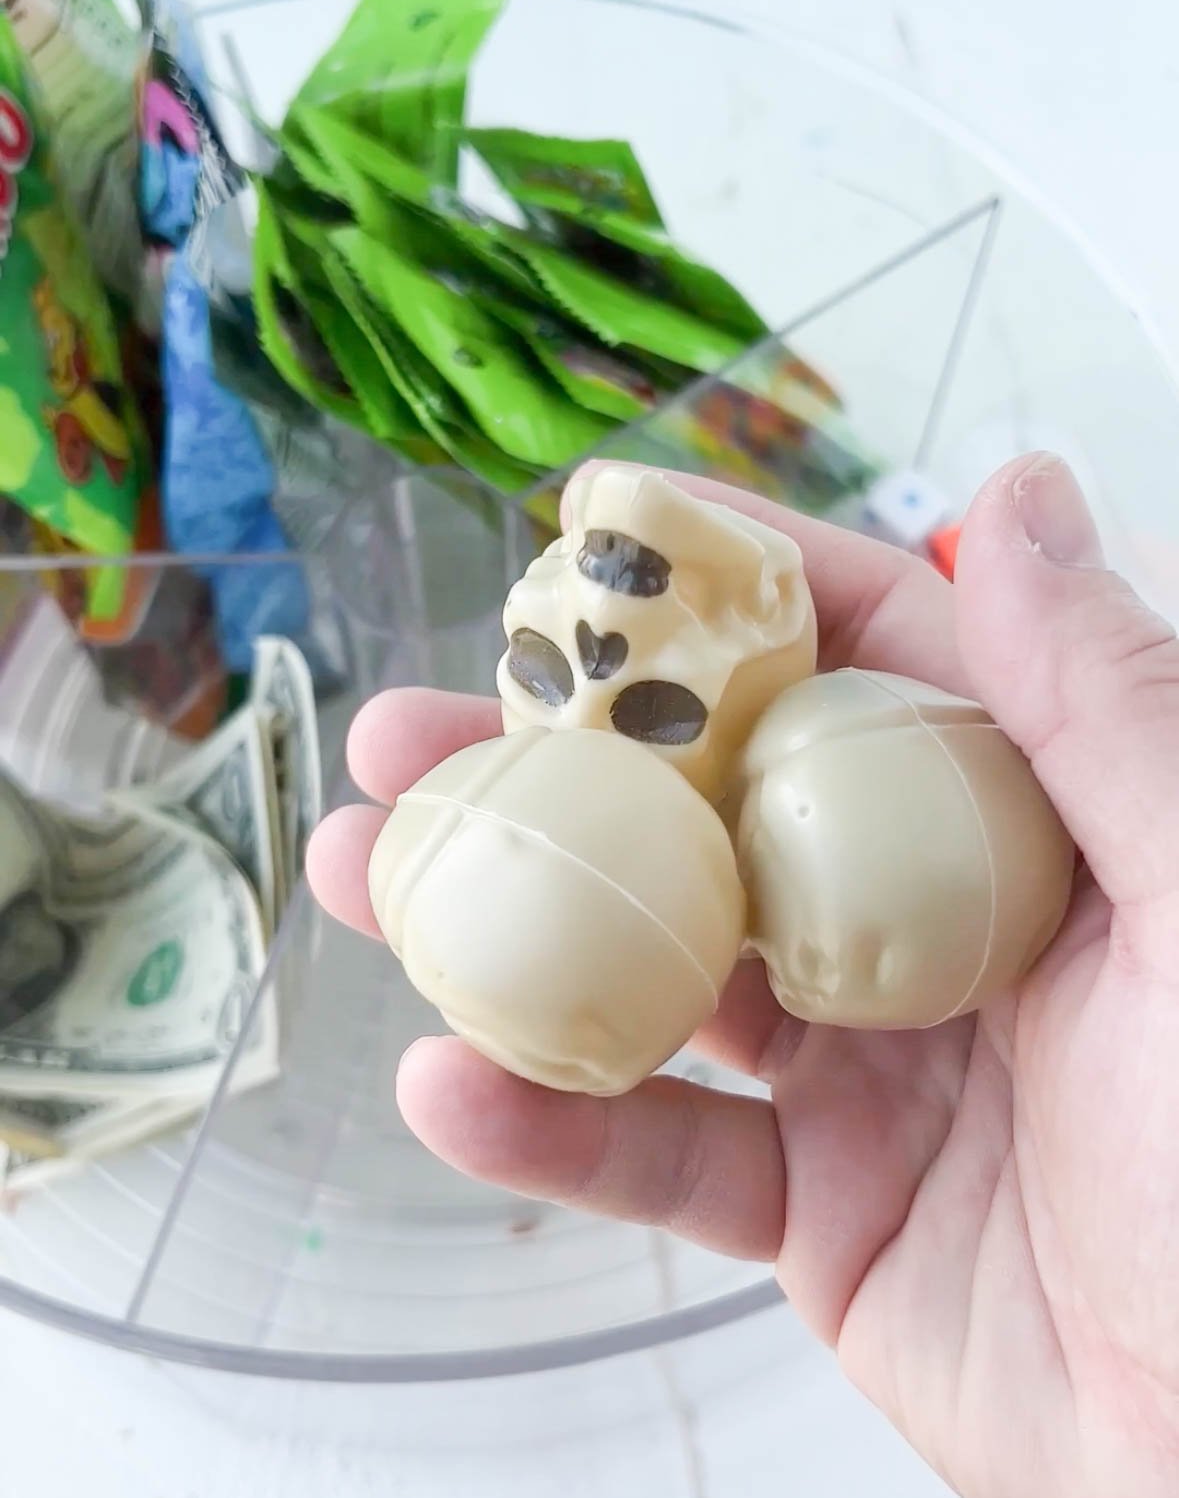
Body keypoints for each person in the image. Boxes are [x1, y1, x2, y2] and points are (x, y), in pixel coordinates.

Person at [308, 452, 1179, 1498]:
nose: (577, 712)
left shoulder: (787, 802)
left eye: (642, 707)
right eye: (547, 673)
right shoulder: (725, 825)